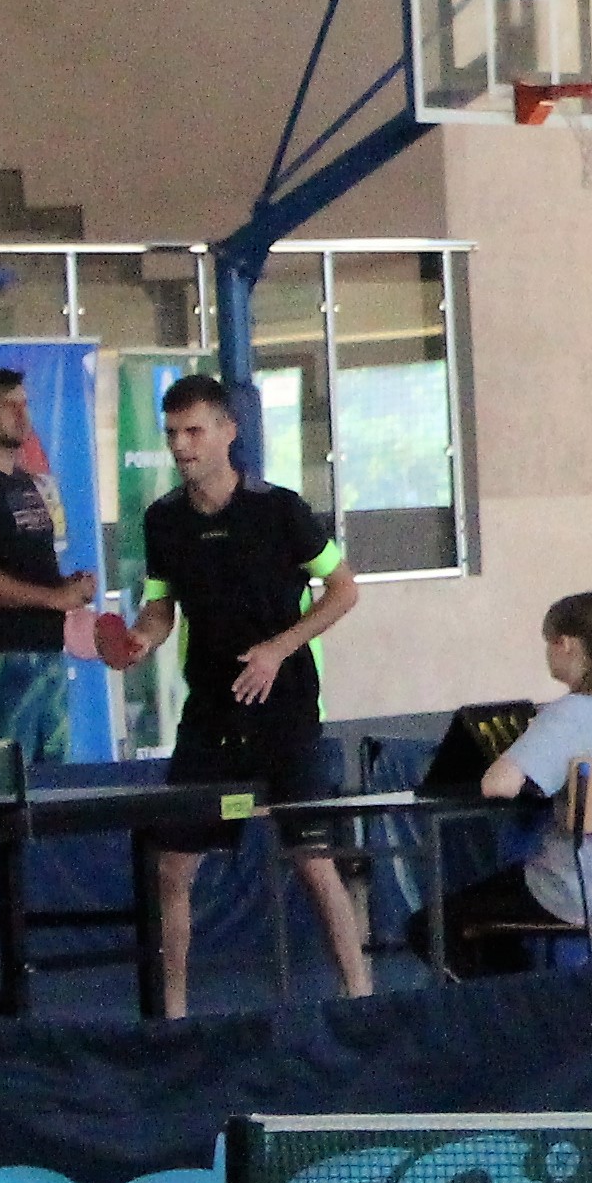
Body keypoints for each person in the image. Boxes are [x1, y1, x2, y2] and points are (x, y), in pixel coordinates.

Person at [129, 374, 366, 1009]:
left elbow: (344, 589)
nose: (181, 445)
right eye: (172, 433)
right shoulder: (163, 521)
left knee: (313, 860)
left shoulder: (279, 509)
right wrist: (141, 639)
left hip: (286, 713)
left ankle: (361, 997)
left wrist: (277, 649)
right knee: (172, 866)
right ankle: (174, 1015)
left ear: (227, 432)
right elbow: (160, 608)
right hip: (210, 716)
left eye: (193, 431)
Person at [434, 591, 592, 952]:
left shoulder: (568, 715)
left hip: (574, 892)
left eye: (548, 643)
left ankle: (508, 988)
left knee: (433, 925)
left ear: (566, 644)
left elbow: (497, 784)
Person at [0, 365, 92, 766]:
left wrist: (69, 586)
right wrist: (54, 598)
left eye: (25, 404)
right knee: (4, 777)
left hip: (47, 652)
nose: (22, 415)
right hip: (0, 655)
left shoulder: (27, 484)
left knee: (53, 777)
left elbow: (27, 566)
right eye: (9, 406)